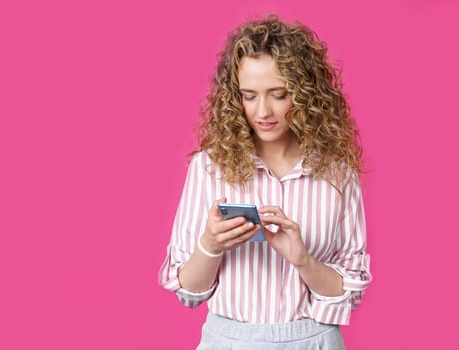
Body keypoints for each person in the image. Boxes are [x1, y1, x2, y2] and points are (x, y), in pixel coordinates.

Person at [158, 14, 371, 349]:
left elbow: (348, 293)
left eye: (278, 94)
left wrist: (303, 259)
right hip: (227, 341)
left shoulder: (337, 172)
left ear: (306, 95)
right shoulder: (208, 168)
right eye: (249, 95)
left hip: (313, 341)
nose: (263, 112)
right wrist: (210, 245)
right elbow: (187, 291)